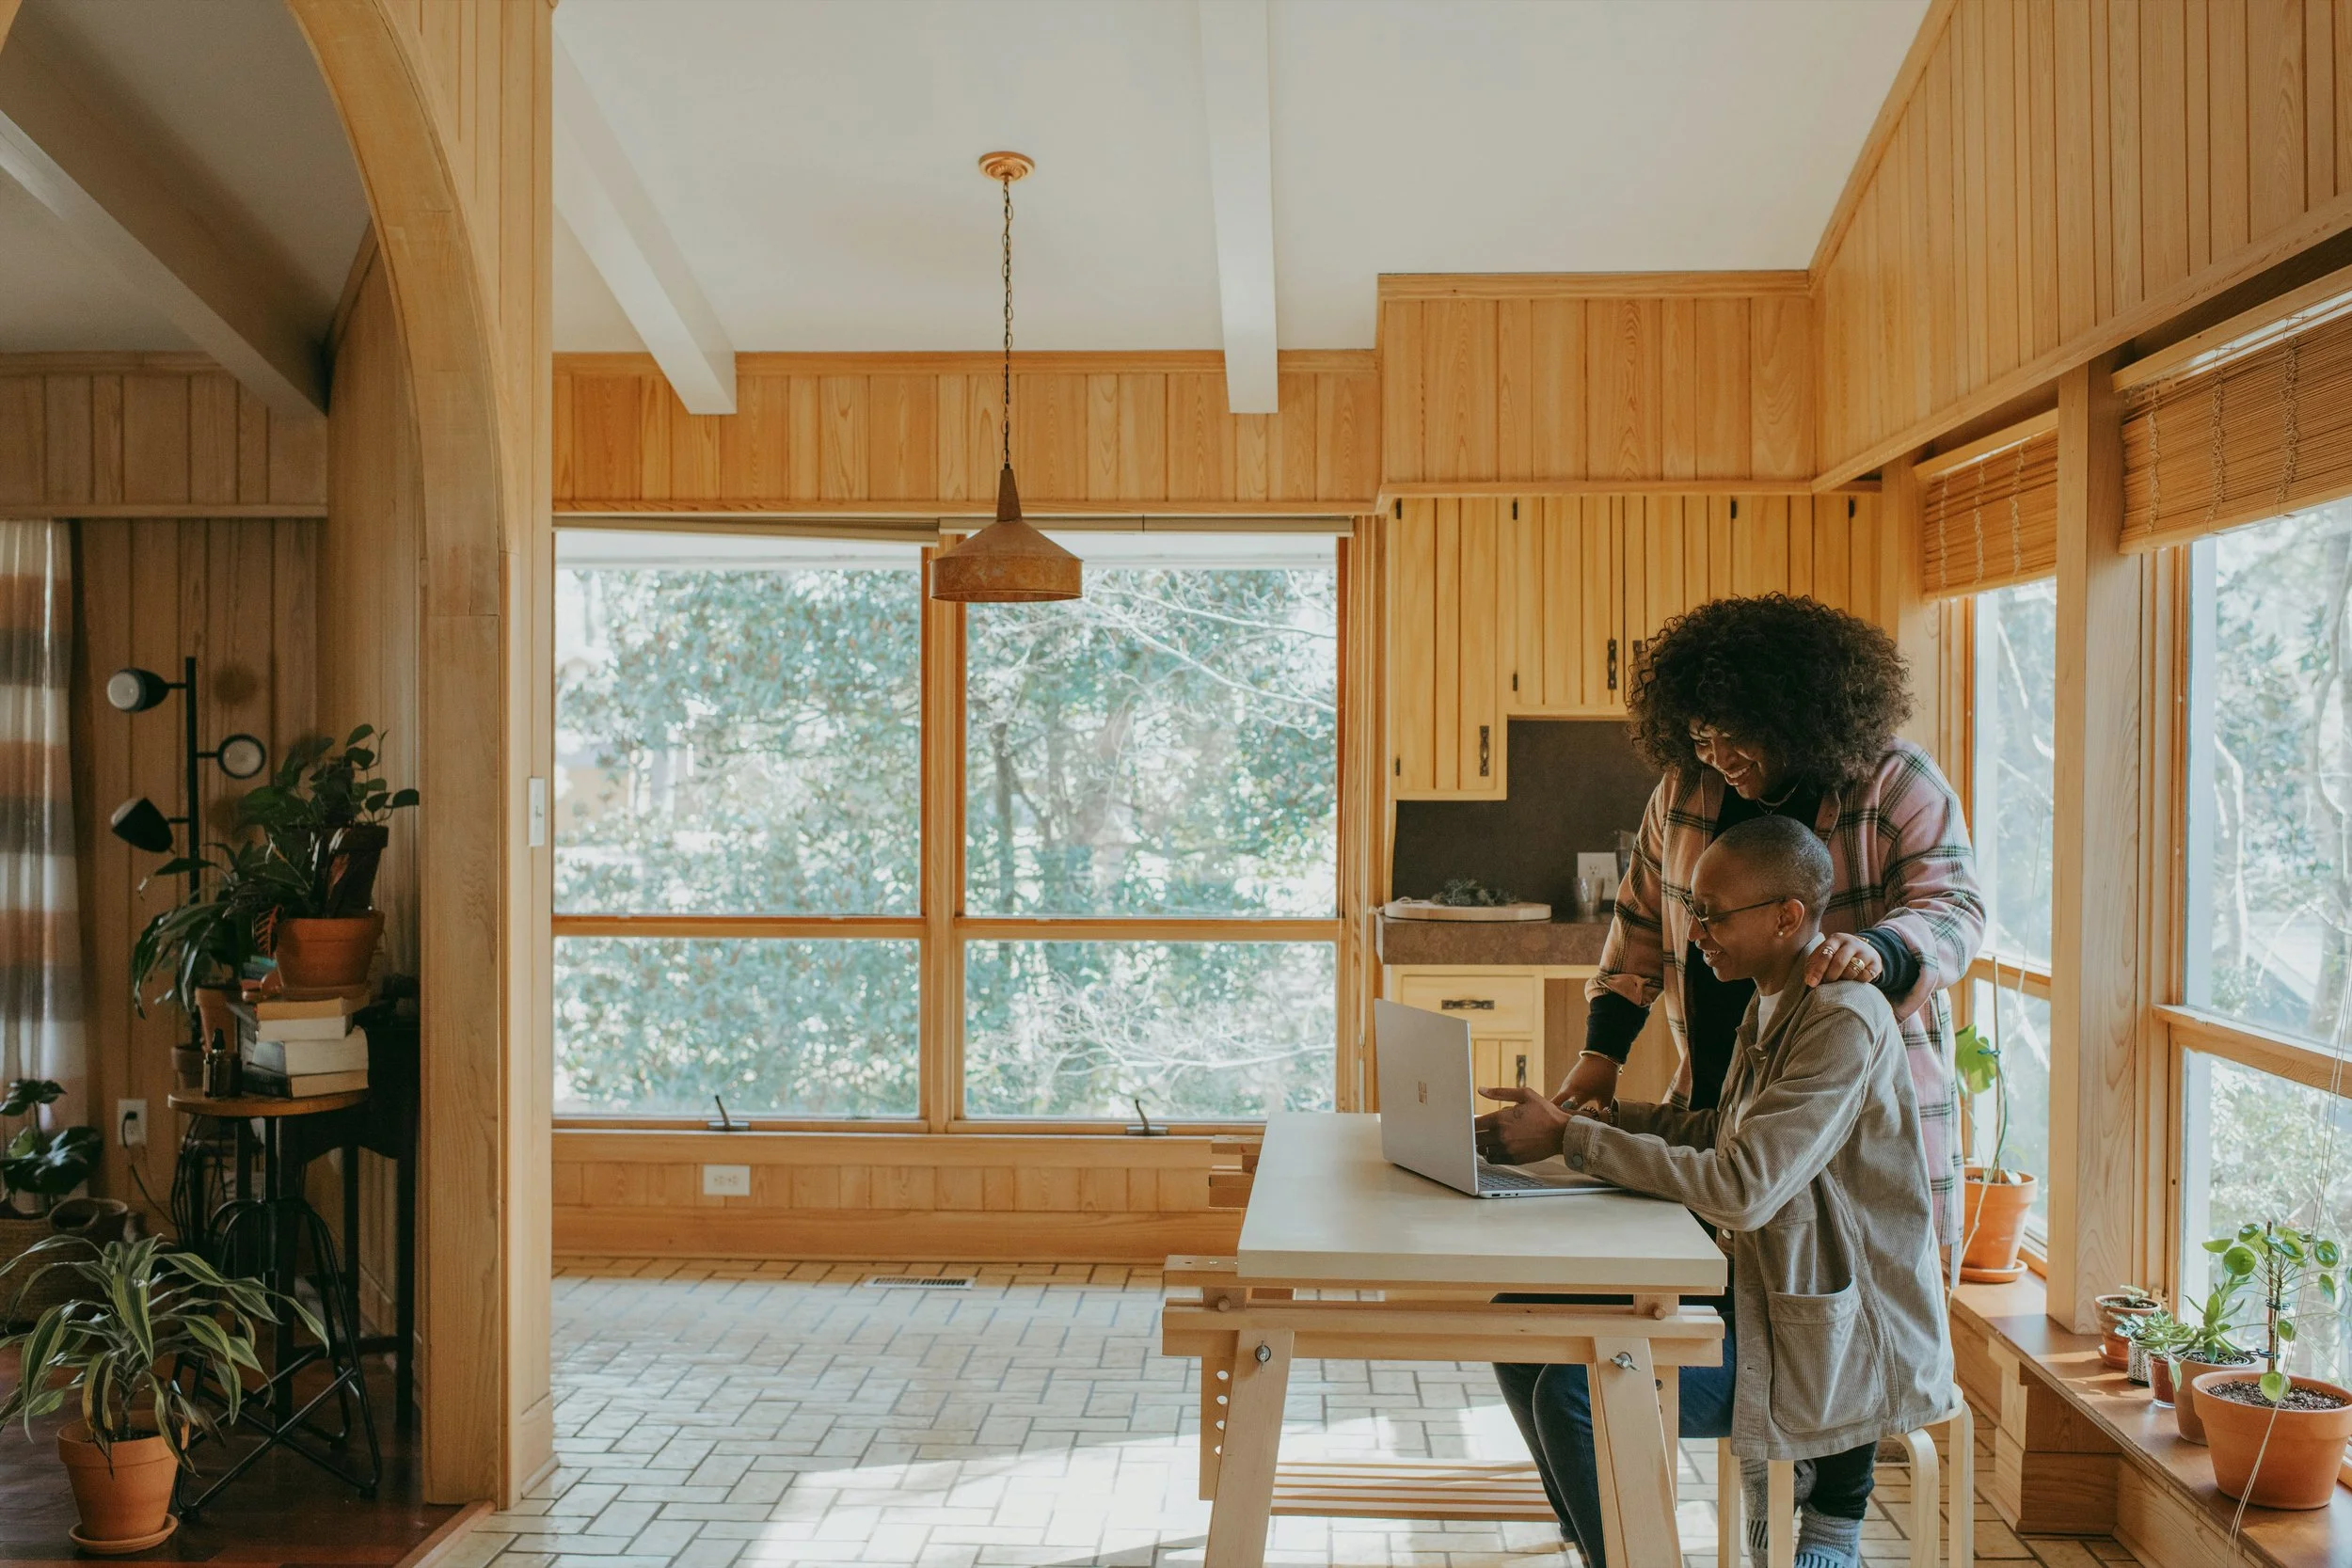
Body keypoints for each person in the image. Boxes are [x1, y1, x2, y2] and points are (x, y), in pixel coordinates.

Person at [1476, 816, 1957, 1568]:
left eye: (1712, 913)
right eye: (1693, 908)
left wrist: (1574, 1142)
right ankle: (1599, 1529)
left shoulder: (1840, 1018)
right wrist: (1592, 1116)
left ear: (1787, 917)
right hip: (1762, 1295)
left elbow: (1742, 1185)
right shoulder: (1770, 998)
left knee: (1573, 1390)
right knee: (1520, 1325)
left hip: (1831, 1342)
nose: (1693, 930)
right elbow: (1717, 1130)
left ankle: (1686, 1538)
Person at [1562, 594, 1982, 1246]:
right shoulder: (1682, 792)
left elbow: (1954, 907)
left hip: (1854, 1136)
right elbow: (1639, 924)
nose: (1721, 755)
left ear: (1794, 716)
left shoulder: (1896, 782)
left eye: (1740, 733)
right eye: (1704, 735)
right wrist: (1600, 1054)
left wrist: (1879, 951)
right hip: (1719, 1107)